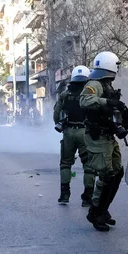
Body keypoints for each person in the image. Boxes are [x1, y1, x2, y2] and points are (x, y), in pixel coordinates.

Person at [79, 52, 127, 232]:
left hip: (108, 135)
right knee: (107, 174)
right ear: (111, 65)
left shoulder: (106, 84)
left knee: (117, 172)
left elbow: (110, 110)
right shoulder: (94, 84)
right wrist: (107, 101)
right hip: (98, 137)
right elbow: (85, 101)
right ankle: (95, 211)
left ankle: (103, 208)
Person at [53, 65, 96, 206]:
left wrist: (63, 125)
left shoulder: (65, 95)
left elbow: (56, 115)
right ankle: (87, 198)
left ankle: (64, 195)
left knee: (65, 164)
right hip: (85, 132)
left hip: (69, 132)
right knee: (89, 166)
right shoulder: (90, 93)